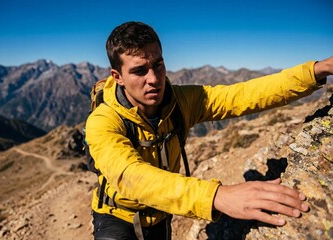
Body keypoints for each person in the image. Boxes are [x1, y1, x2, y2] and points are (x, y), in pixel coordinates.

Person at [85, 21, 333, 240]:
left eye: (158, 65)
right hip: (117, 217)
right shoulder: (103, 121)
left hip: (161, 215)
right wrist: (217, 196)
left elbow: (241, 96)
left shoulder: (181, 101)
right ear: (117, 76)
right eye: (139, 70)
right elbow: (129, 176)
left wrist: (315, 71)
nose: (154, 78)